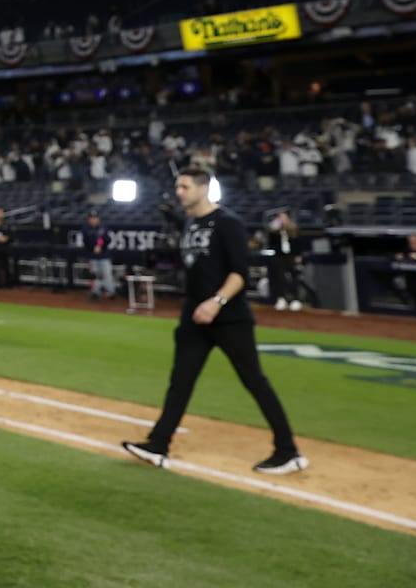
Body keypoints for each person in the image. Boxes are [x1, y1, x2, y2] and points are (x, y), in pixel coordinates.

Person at [123, 169, 307, 476]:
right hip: (195, 317)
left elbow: (240, 273)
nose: (178, 192)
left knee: (254, 382)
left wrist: (216, 301)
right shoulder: (191, 224)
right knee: (180, 383)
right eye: (177, 186)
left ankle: (288, 450)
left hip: (229, 318)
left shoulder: (228, 223)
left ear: (204, 188)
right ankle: (158, 444)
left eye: (185, 186)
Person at [82, 210, 115, 300]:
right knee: (95, 275)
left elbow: (105, 239)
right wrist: (94, 247)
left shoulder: (103, 228)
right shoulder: (86, 229)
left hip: (104, 255)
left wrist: (99, 245)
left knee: (107, 274)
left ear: (98, 219)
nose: (93, 220)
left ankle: (111, 292)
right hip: (93, 256)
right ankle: (96, 293)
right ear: (89, 219)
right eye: (91, 218)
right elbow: (86, 241)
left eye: (95, 218)